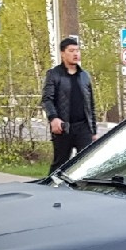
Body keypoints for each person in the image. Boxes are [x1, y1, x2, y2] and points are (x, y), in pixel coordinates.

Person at [41, 36, 98, 174]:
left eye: (77, 50)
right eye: (71, 50)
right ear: (62, 53)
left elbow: (90, 104)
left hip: (83, 127)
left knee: (86, 163)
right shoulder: (54, 74)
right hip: (63, 128)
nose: (75, 54)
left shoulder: (85, 76)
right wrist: (53, 118)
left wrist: (93, 130)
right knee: (60, 165)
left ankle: (82, 193)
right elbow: (47, 99)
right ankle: (51, 191)